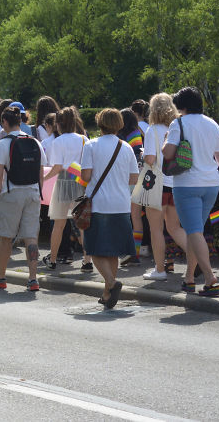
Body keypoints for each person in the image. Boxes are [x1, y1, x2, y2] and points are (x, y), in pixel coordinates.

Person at [163, 86, 219, 297]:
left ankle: (211, 279)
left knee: (193, 231)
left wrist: (166, 138)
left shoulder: (179, 123)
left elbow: (168, 153)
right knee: (197, 232)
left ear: (182, 106)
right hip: (211, 183)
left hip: (187, 184)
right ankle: (189, 279)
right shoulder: (212, 123)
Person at [80, 109, 140, 309]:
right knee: (112, 251)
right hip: (121, 203)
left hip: (98, 204)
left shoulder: (91, 145)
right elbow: (133, 178)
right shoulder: (126, 147)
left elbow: (86, 177)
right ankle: (107, 293)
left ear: (99, 123)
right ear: (119, 124)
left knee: (95, 248)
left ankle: (112, 284)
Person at [0, 106, 46, 291]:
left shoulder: (4, 143)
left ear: (4, 122)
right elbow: (41, 172)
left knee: (6, 237)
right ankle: (33, 279)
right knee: (31, 237)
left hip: (11, 193)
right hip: (33, 193)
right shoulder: (35, 141)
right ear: (20, 121)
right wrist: (38, 192)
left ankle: (1, 276)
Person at [140, 92, 188, 281]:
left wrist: (143, 155)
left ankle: (159, 269)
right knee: (175, 228)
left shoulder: (153, 130)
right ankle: (199, 259)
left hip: (156, 185)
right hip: (175, 183)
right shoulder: (178, 127)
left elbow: (150, 159)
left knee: (156, 230)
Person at [42, 107, 89, 270]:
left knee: (59, 224)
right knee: (82, 224)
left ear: (58, 124)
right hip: (80, 181)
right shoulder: (84, 139)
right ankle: (87, 260)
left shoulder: (58, 141)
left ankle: (53, 259)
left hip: (64, 181)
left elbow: (57, 167)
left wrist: (43, 178)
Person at [119, 108, 146, 266]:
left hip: (124, 180)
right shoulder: (135, 134)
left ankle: (129, 251)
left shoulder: (119, 137)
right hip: (137, 179)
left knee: (128, 216)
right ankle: (134, 252)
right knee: (135, 216)